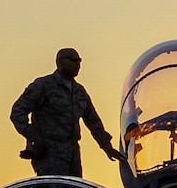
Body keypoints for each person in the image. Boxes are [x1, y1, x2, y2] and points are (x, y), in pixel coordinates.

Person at [10, 48, 121, 178]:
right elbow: (17, 112)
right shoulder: (43, 85)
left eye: (79, 61)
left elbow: (93, 121)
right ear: (59, 62)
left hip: (73, 155)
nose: (77, 64)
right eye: (73, 60)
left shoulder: (79, 91)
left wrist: (107, 147)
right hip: (49, 155)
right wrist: (34, 137)